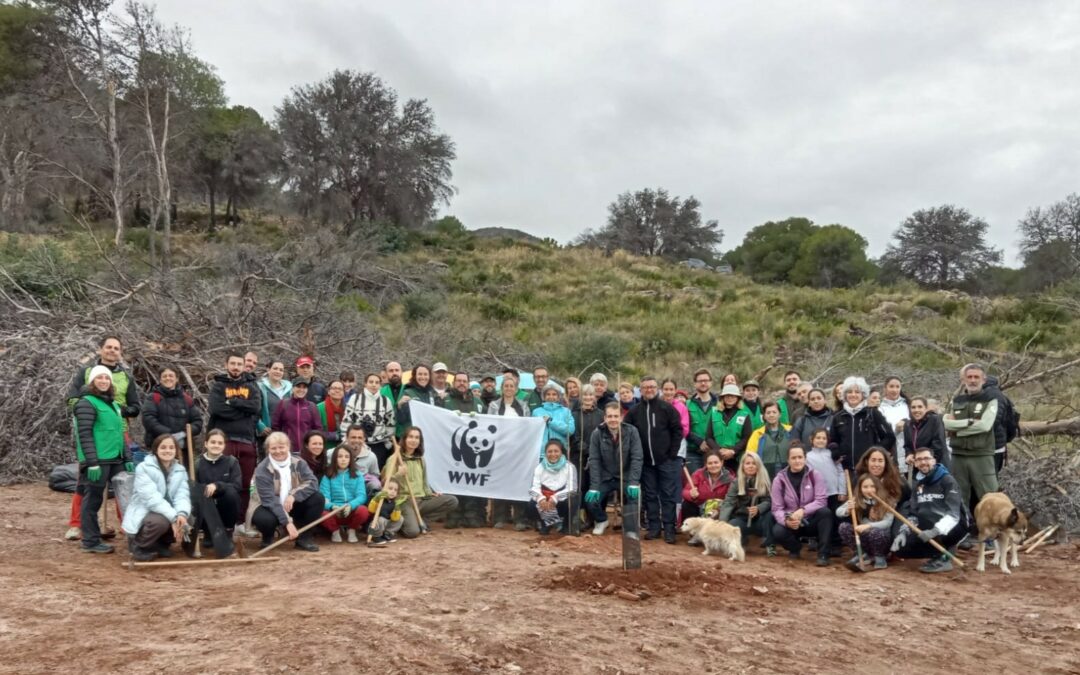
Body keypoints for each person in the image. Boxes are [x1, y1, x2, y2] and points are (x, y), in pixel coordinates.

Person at [64, 335, 141, 541]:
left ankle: (126, 522)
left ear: (120, 352)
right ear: (100, 349)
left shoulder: (126, 377)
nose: (112, 350)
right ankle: (76, 524)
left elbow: (135, 407)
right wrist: (92, 410)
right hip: (93, 433)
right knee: (88, 479)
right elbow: (72, 400)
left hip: (119, 432)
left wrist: (116, 411)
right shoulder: (86, 372)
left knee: (123, 480)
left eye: (116, 348)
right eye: (108, 347)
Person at [73, 365, 133, 553]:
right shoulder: (86, 403)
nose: (104, 381)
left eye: (106, 378)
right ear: (92, 381)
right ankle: (90, 541)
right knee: (93, 499)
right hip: (97, 461)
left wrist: (128, 456)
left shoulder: (113, 404)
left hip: (116, 458)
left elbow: (118, 433)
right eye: (99, 378)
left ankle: (135, 535)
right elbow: (84, 435)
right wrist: (91, 463)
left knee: (127, 496)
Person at [207, 352, 262, 534]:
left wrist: (233, 402)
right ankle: (223, 522)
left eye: (239, 364)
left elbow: (255, 407)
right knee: (224, 483)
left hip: (247, 439)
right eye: (233, 363)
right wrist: (242, 409)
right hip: (225, 440)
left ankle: (240, 522)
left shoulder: (252, 385)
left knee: (245, 484)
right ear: (226, 365)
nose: (236, 367)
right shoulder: (218, 386)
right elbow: (217, 409)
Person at [625, 376, 684, 543]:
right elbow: (626, 432)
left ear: (657, 388)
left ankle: (669, 528)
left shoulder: (667, 408)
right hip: (645, 462)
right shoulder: (634, 411)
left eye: (652, 387)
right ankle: (654, 527)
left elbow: (677, 430)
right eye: (645, 387)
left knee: (668, 494)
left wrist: (672, 453)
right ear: (641, 390)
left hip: (666, 460)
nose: (649, 390)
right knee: (650, 495)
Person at [891, 446, 968, 573]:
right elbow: (913, 513)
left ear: (934, 460)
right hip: (930, 524)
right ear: (915, 463)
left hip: (955, 526)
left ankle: (945, 558)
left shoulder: (947, 480)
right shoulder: (918, 485)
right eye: (919, 459)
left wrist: (935, 531)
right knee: (903, 548)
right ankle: (935, 554)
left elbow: (953, 515)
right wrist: (903, 532)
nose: (923, 462)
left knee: (941, 525)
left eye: (926, 458)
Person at [944, 364, 1000, 533]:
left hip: (981, 455)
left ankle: (993, 534)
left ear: (983, 379)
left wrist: (958, 431)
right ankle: (962, 533)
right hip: (959, 456)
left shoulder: (991, 399)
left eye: (976, 377)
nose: (973, 380)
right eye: (969, 377)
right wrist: (968, 423)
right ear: (963, 380)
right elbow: (945, 422)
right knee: (959, 496)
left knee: (989, 496)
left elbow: (984, 426)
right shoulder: (957, 401)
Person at [250, 431, 323, 552]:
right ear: (268, 450)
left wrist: (293, 495)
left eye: (281, 447)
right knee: (265, 520)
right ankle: (267, 538)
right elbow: (270, 500)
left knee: (318, 498)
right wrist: (287, 522)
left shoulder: (298, 462)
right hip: (267, 505)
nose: (278, 451)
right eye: (273, 448)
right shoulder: (262, 469)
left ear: (288, 447)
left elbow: (312, 482)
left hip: (291, 503)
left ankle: (304, 538)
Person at [121, 434, 190, 561]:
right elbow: (152, 499)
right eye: (163, 447)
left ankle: (161, 544)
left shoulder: (180, 470)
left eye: (171, 447)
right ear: (156, 449)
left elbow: (182, 495)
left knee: (186, 518)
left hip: (167, 510)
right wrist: (174, 517)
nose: (167, 450)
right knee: (160, 521)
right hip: (147, 510)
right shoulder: (144, 468)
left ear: (176, 450)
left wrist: (181, 514)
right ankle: (138, 546)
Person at [585, 402, 642, 538]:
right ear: (604, 418)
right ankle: (602, 520)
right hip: (605, 477)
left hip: (626, 476)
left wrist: (634, 481)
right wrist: (594, 486)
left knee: (633, 498)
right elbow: (594, 460)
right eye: (609, 416)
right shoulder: (597, 434)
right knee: (590, 501)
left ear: (621, 417)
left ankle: (630, 528)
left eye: (616, 416)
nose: (613, 419)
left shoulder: (631, 431)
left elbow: (637, 457)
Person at [771, 443, 833, 566]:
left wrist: (803, 511)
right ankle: (795, 548)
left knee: (825, 513)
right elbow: (777, 508)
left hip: (811, 520)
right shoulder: (779, 480)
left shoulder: (815, 475)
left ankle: (823, 554)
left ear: (805, 458)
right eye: (793, 458)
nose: (797, 461)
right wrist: (787, 521)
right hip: (793, 522)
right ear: (788, 460)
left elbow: (821, 500)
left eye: (800, 457)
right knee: (778, 531)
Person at [392, 426, 459, 538]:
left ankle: (421, 521)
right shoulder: (395, 458)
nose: (414, 440)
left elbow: (424, 481)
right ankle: (406, 523)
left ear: (420, 441)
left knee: (452, 501)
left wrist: (430, 493)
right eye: (411, 437)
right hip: (405, 501)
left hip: (422, 500)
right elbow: (385, 482)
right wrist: (398, 474)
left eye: (417, 438)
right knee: (412, 532)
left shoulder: (420, 459)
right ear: (404, 439)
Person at [443, 371, 487, 529]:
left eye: (464, 381)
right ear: (454, 383)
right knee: (454, 479)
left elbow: (486, 422)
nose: (461, 383)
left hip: (472, 447)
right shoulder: (445, 400)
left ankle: (471, 514)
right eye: (458, 381)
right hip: (451, 446)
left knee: (470, 478)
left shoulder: (477, 402)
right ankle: (454, 514)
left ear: (468, 383)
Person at [489, 375, 531, 530]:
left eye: (511, 386)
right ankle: (500, 517)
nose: (508, 388)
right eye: (505, 386)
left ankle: (520, 518)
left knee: (519, 484)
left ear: (516, 389)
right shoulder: (494, 405)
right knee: (500, 484)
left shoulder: (523, 406)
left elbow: (528, 426)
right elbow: (489, 426)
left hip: (518, 452)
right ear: (502, 388)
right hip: (500, 451)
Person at [829, 376, 895, 473]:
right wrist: (836, 452)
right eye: (850, 392)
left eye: (857, 392)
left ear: (863, 395)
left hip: (868, 469)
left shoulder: (873, 413)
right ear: (845, 395)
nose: (853, 395)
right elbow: (833, 441)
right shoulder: (838, 417)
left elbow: (889, 437)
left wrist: (875, 453)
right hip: (845, 470)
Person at [719, 452, 775, 556]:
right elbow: (728, 502)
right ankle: (742, 540)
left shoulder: (766, 482)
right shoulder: (736, 482)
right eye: (747, 463)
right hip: (743, 518)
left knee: (770, 516)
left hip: (760, 520)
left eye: (754, 463)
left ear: (758, 466)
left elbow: (769, 501)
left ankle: (770, 544)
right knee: (732, 525)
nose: (750, 466)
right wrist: (722, 523)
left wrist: (758, 508)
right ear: (742, 466)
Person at [194, 429, 242, 549]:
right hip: (206, 505)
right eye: (213, 442)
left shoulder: (231, 462)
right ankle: (208, 533)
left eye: (220, 443)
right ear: (206, 444)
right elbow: (193, 487)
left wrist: (217, 486)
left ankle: (227, 532)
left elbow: (237, 486)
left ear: (224, 445)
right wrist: (203, 488)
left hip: (224, 505)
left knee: (231, 494)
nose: (216, 445)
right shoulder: (198, 463)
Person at [837, 474, 894, 570]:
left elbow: (887, 523)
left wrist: (868, 525)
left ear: (878, 487)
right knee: (844, 527)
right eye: (865, 487)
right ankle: (862, 554)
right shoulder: (857, 499)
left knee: (876, 532)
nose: (869, 490)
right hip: (864, 536)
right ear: (860, 488)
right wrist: (848, 509)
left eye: (872, 487)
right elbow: (838, 512)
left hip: (882, 539)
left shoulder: (887, 501)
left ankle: (880, 557)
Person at [142, 367, 202, 456]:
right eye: (164, 376)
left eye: (171, 376)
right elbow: (149, 420)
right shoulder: (153, 398)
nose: (168, 378)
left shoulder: (187, 399)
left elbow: (197, 421)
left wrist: (184, 434)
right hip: (159, 447)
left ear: (177, 379)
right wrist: (169, 435)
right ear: (160, 379)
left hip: (183, 448)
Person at [341, 372, 396, 470]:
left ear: (380, 385)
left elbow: (390, 423)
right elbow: (347, 420)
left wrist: (388, 443)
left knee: (375, 474)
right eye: (371, 382)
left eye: (377, 382)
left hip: (378, 444)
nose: (374, 385)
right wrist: (345, 440)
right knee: (356, 472)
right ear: (365, 384)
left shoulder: (385, 401)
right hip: (357, 443)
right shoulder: (356, 398)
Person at [319, 445, 371, 543]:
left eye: (347, 457)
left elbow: (361, 496)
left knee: (363, 511)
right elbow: (323, 497)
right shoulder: (327, 476)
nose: (343, 460)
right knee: (322, 513)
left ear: (351, 459)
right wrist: (332, 507)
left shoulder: (358, 475)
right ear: (335, 458)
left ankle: (351, 530)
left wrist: (350, 506)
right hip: (334, 513)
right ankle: (335, 531)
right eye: (340, 456)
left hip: (351, 511)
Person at [805, 428, 846, 550]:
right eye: (818, 438)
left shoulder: (832, 455)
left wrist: (842, 490)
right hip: (817, 496)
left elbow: (841, 472)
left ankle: (835, 545)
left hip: (833, 492)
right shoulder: (807, 457)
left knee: (835, 518)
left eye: (824, 438)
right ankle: (819, 541)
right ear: (812, 439)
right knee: (821, 518)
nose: (821, 440)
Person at [529, 439, 577, 534]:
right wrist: (540, 498)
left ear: (561, 452)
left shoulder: (570, 467)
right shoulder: (539, 467)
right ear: (545, 453)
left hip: (561, 502)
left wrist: (556, 497)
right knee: (531, 504)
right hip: (545, 502)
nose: (553, 454)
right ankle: (546, 524)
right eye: (549, 451)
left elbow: (572, 488)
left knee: (573, 499)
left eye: (556, 451)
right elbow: (534, 488)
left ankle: (566, 526)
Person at [709, 384, 754, 473]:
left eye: (733, 396)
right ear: (723, 397)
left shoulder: (744, 414)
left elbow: (746, 437)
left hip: (737, 457)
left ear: (737, 398)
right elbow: (708, 436)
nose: (730, 398)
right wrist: (719, 451)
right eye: (727, 395)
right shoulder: (714, 412)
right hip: (718, 457)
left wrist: (733, 451)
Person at [272, 377, 323, 455]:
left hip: (307, 452)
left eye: (304, 387)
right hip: (287, 451)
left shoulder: (311, 406)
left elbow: (318, 429)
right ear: (292, 388)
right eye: (298, 386)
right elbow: (275, 427)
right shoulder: (283, 404)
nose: (301, 390)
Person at [982, 373, 1019, 476]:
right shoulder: (994, 393)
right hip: (993, 445)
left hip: (992, 446)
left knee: (988, 479)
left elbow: (993, 421)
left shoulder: (993, 395)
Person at [680, 450, 733, 520]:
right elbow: (685, 491)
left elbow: (731, 500)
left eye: (716, 462)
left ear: (722, 462)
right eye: (710, 463)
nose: (713, 465)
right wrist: (691, 494)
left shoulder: (730, 478)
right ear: (706, 464)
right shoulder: (698, 474)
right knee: (687, 505)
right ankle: (691, 529)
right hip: (699, 508)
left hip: (719, 511)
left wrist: (718, 510)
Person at [685, 369, 718, 476]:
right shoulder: (687, 404)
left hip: (715, 451)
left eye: (706, 380)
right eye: (700, 381)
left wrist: (711, 443)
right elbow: (684, 427)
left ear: (711, 382)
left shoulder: (720, 404)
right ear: (695, 384)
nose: (703, 383)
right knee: (695, 484)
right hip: (693, 452)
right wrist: (699, 442)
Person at [747, 401, 791, 477]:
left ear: (779, 414)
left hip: (788, 471)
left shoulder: (790, 431)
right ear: (764, 415)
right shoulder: (757, 434)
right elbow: (750, 455)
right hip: (765, 472)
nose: (771, 415)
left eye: (774, 412)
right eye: (768, 413)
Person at [903, 397, 949, 468]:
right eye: (913, 407)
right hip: (918, 465)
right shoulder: (908, 425)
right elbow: (907, 446)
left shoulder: (934, 420)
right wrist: (909, 454)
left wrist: (925, 460)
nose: (916, 410)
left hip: (936, 464)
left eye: (920, 407)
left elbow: (938, 444)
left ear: (926, 408)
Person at [878, 376, 911, 474]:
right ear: (885, 388)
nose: (894, 390)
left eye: (897, 387)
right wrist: (895, 429)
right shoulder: (880, 408)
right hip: (890, 451)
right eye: (891, 386)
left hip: (907, 451)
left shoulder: (908, 405)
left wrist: (906, 424)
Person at [534, 383, 575, 454]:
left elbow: (570, 430)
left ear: (558, 396)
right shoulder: (536, 412)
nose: (551, 396)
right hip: (541, 452)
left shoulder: (566, 411)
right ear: (544, 396)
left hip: (560, 452)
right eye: (548, 394)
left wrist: (551, 421)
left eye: (554, 394)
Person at [341, 425, 382, 496]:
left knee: (375, 485)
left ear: (364, 439)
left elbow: (375, 475)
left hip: (362, 487)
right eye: (353, 437)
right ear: (346, 438)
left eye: (360, 438)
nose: (356, 440)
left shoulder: (371, 456)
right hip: (340, 484)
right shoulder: (334, 453)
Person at [257, 360, 292, 442]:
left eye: (281, 370)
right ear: (268, 369)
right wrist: (260, 426)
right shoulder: (259, 387)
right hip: (267, 434)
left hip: (286, 435)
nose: (278, 371)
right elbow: (253, 410)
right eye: (275, 368)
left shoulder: (290, 389)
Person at [366, 478, 404, 547]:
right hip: (375, 525)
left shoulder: (394, 502)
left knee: (400, 518)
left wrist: (397, 508)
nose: (392, 491)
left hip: (386, 523)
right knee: (381, 519)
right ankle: (376, 536)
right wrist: (376, 499)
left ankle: (387, 533)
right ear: (382, 488)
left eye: (395, 490)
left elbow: (395, 518)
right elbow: (371, 509)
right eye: (390, 488)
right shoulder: (379, 498)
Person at [397, 363, 434, 429]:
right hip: (413, 434)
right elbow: (401, 420)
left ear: (429, 376)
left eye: (425, 374)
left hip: (430, 431)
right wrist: (399, 407)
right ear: (414, 376)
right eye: (420, 374)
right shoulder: (408, 392)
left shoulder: (433, 393)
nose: (423, 377)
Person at [660, 378, 691, 449]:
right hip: (660, 446)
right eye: (666, 389)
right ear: (661, 390)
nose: (668, 392)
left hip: (677, 446)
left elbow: (685, 428)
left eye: (671, 389)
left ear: (675, 390)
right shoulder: (656, 406)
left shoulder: (681, 407)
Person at [316, 380, 347, 451]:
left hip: (344, 448)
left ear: (343, 393)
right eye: (334, 388)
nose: (337, 391)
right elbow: (316, 431)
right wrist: (335, 436)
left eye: (340, 389)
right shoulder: (319, 408)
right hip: (324, 448)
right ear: (329, 391)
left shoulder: (348, 408)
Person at [380, 361, 407, 438]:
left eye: (397, 370)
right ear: (386, 374)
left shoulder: (409, 390)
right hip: (386, 436)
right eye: (391, 371)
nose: (394, 373)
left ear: (401, 372)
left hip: (405, 436)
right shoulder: (380, 392)